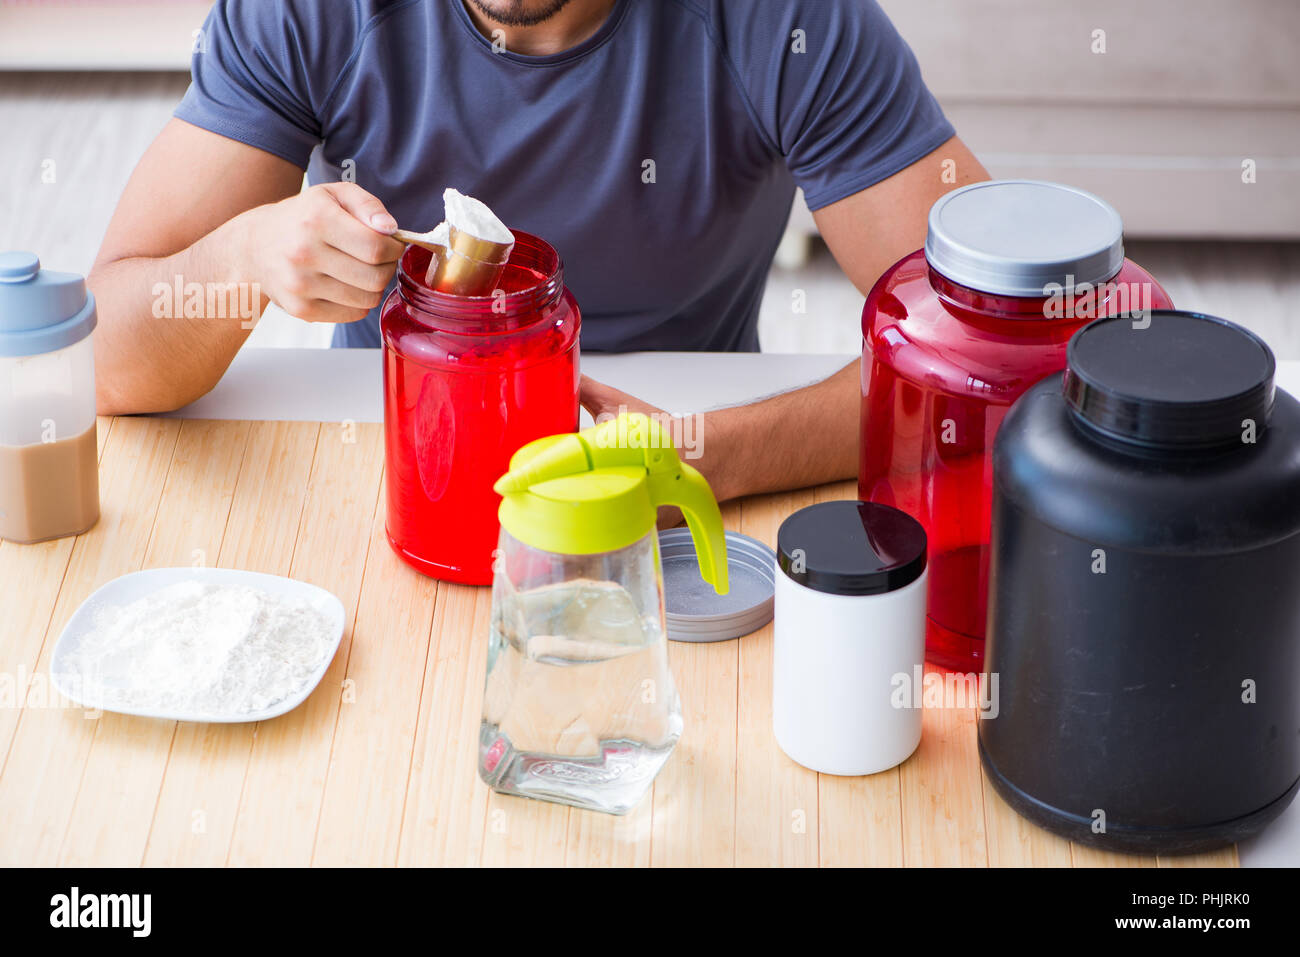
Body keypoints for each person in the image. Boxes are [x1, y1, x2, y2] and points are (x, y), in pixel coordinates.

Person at [89, 0, 987, 505]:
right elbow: (105, 359)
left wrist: (722, 455)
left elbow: (983, 345)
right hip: (393, 450)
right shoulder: (312, 12)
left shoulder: (786, 22)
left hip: (687, 474)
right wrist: (242, 257)